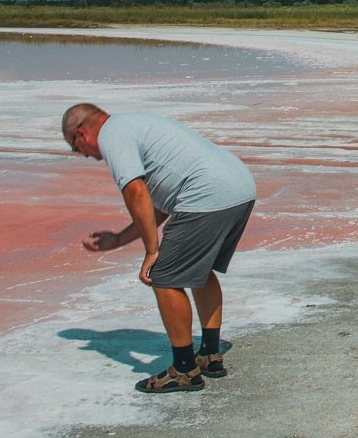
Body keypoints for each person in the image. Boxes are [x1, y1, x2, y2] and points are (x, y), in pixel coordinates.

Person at [62, 104, 257, 394]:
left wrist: (152, 252)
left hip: (207, 193)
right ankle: (209, 355)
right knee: (198, 273)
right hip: (238, 188)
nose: (85, 156)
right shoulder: (132, 123)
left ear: (81, 133)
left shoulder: (111, 136)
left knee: (164, 277)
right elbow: (161, 205)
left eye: (76, 149)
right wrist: (118, 239)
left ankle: (184, 370)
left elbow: (136, 191)